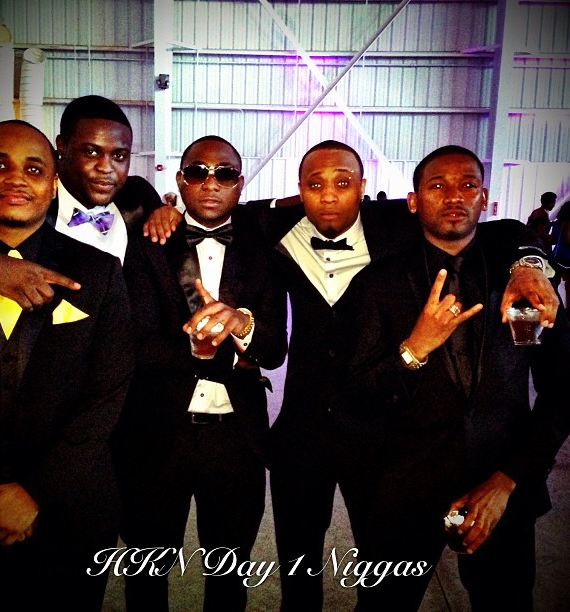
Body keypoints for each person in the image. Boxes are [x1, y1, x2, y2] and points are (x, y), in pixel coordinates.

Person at [142, 139, 559, 610]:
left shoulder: (399, 222)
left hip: (380, 435)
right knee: (298, 569)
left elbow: (499, 230)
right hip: (301, 431)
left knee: (381, 578)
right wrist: (164, 209)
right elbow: (213, 206)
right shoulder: (267, 226)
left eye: (342, 183)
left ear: (362, 187)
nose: (328, 195)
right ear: (299, 190)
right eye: (315, 184)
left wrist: (529, 263)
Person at [342, 145, 570, 611]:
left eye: (467, 185)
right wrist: (414, 349)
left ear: (484, 198)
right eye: (437, 185)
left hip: (501, 488)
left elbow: (563, 389)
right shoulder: (378, 284)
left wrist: (509, 478)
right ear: (413, 201)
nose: (454, 196)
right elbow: (358, 396)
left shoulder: (523, 284)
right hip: (403, 492)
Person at [0, 120, 134, 610]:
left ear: (53, 183)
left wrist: (34, 492)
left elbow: (107, 395)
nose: (16, 178)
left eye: (34, 169)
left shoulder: (99, 272)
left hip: (69, 507)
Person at [113, 135, 288, 611]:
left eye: (224, 173)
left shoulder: (264, 250)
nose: (211, 183)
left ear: (240, 183)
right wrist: (206, 352)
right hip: (156, 434)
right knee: (146, 573)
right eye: (197, 172)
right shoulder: (147, 243)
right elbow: (136, 345)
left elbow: (274, 350)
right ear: (180, 180)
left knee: (229, 575)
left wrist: (243, 326)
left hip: (237, 439)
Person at [0, 95, 166, 310]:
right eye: (91, 152)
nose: (106, 168)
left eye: (119, 156)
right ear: (62, 146)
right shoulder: (15, 202)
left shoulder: (138, 196)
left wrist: (172, 215)